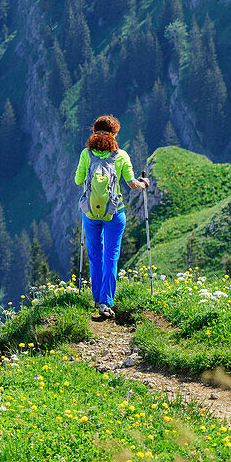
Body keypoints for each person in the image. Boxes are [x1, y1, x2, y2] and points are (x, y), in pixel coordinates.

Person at [74, 116, 149, 317]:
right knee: (111, 256)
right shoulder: (121, 155)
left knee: (95, 255)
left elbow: (78, 180)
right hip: (114, 213)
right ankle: (106, 302)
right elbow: (132, 183)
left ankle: (97, 297)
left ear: (94, 132)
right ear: (114, 133)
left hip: (90, 213)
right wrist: (144, 183)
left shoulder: (86, 154)